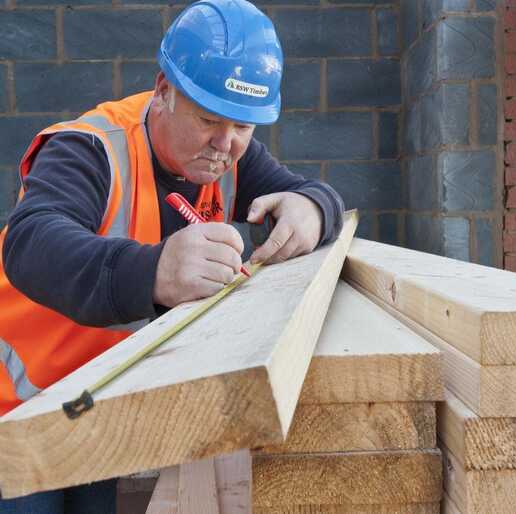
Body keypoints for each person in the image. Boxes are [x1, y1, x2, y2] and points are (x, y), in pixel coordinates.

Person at [0, 0, 343, 511]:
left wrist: (314, 209)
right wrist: (156, 271)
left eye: (244, 127)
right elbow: (29, 241)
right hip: (17, 412)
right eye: (209, 119)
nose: (225, 145)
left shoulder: (230, 154)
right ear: (164, 91)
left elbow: (307, 194)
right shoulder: (91, 148)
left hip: (94, 407)